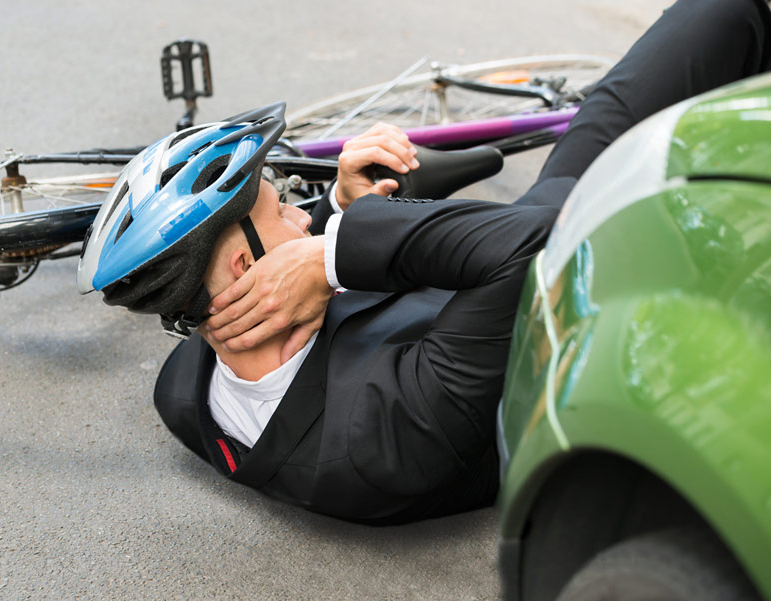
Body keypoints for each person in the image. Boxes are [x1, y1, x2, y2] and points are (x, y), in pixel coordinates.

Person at [78, 0, 771, 524]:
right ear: (243, 274)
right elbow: (541, 241)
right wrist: (339, 250)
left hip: (504, 246)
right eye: (282, 208)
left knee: (724, 13)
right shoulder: (383, 434)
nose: (302, 211)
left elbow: (311, 256)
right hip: (612, 296)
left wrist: (340, 210)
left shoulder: (191, 377)